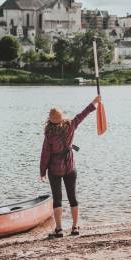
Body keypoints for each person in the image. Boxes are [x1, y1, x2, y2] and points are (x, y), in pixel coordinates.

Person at [39, 96, 100, 237]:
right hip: (70, 168)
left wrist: (42, 171)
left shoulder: (49, 134)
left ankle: (59, 229)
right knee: (72, 197)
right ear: (62, 118)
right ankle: (75, 227)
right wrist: (95, 102)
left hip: (54, 170)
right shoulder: (71, 125)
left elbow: (45, 154)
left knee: (57, 198)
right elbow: (83, 114)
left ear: (50, 120)